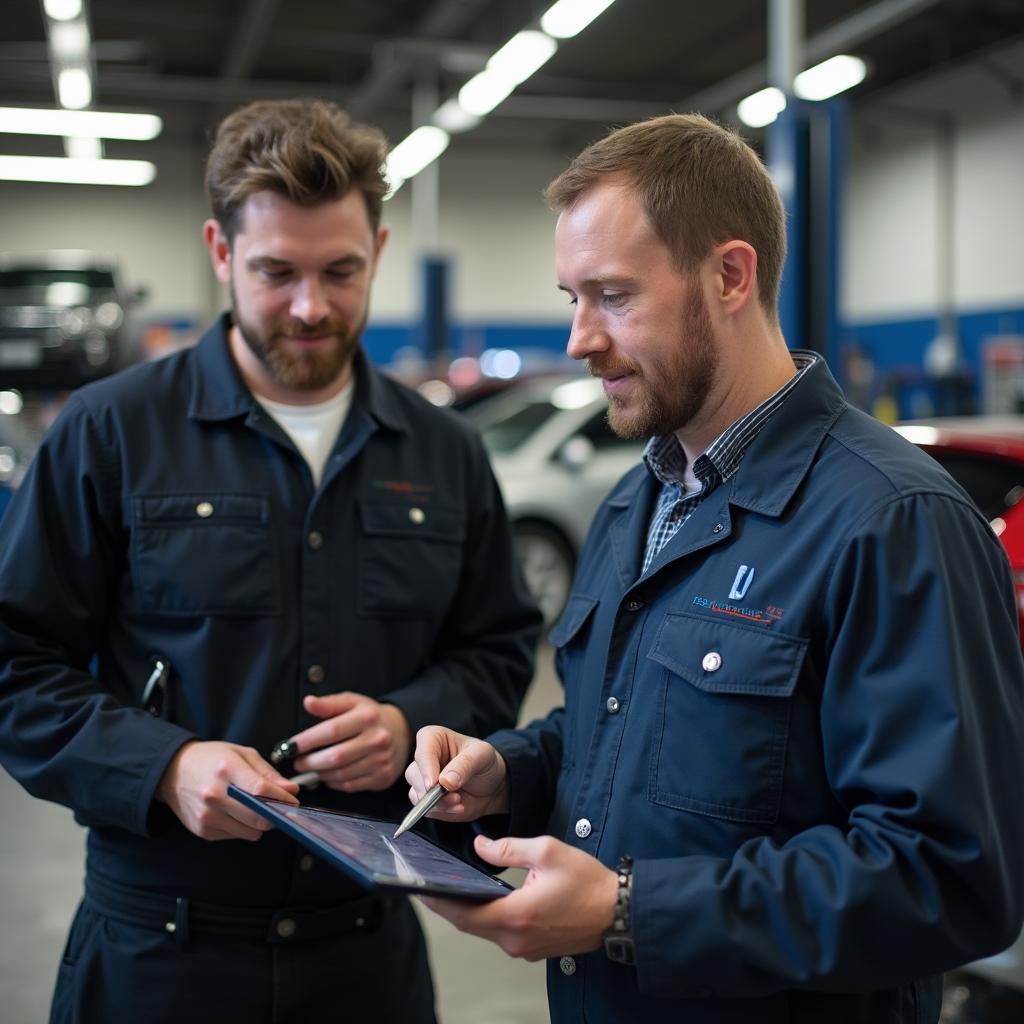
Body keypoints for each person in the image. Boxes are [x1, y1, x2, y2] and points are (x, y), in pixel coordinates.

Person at [405, 113, 1024, 1024]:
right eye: (571, 297)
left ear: (730, 275)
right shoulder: (636, 502)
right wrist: (512, 769)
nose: (579, 339)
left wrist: (626, 910)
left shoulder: (894, 523)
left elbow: (951, 874)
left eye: (612, 296)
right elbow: (618, 728)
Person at [0, 98, 541, 1024]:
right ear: (219, 251)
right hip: (160, 952)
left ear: (375, 245)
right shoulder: (110, 433)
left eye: (341, 271)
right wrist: (163, 766)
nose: (310, 306)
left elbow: (498, 650)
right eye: (274, 271)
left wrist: (413, 722)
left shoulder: (444, 453)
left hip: (367, 953)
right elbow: (16, 666)